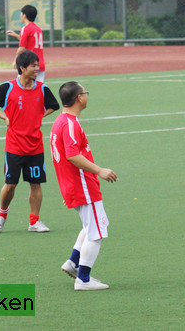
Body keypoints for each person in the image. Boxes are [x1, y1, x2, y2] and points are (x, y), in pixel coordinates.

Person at [0, 50, 59, 234]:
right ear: (22, 68)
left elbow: (53, 106)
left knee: (36, 184)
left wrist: (40, 115)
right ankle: (1, 217)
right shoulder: (7, 88)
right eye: (33, 65)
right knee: (11, 185)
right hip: (14, 146)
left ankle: (34, 221)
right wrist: (4, 117)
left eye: (37, 65)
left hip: (35, 147)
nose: (37, 68)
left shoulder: (42, 89)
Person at [51, 81, 118, 291]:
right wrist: (99, 170)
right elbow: (72, 155)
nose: (87, 95)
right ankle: (83, 279)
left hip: (75, 185)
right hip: (82, 185)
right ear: (79, 98)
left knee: (92, 226)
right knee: (96, 232)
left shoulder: (60, 121)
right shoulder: (70, 123)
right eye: (85, 92)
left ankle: (73, 263)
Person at [6, 4, 46, 83]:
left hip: (29, 65)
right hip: (40, 64)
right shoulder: (38, 29)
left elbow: (21, 48)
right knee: (37, 88)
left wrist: (16, 61)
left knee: (21, 86)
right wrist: (17, 36)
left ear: (24, 16)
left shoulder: (25, 28)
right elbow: (30, 42)